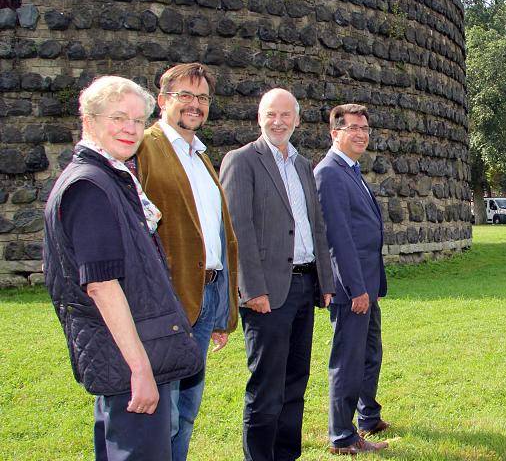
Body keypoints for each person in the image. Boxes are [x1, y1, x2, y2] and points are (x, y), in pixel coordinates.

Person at [43, 76, 203, 459]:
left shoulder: (111, 176)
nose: (130, 129)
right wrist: (140, 369)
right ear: (90, 120)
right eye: (118, 118)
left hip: (131, 349)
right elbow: (100, 285)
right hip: (129, 357)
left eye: (137, 120)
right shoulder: (90, 187)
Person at [219, 89, 336, 461]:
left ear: (297, 120)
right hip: (266, 293)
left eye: (286, 115)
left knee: (295, 382)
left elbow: (316, 226)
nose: (279, 121)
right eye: (271, 114)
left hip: (303, 286)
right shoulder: (242, 161)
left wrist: (325, 282)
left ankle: (287, 456)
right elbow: (237, 230)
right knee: (266, 388)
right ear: (259, 117)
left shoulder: (303, 165)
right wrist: (251, 289)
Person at [135, 63, 239, 461]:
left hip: (205, 296)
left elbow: (217, 234)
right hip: (167, 301)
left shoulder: (200, 157)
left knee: (187, 410)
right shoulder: (145, 148)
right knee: (164, 415)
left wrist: (221, 310)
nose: (195, 105)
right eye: (185, 96)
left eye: (202, 98)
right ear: (162, 100)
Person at [314, 104, 390, 455]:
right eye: (353, 128)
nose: (361, 134)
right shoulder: (329, 172)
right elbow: (338, 237)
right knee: (348, 359)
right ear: (335, 133)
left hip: (367, 285)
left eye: (365, 128)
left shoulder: (351, 170)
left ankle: (368, 417)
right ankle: (342, 436)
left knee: (370, 352)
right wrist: (356, 288)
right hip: (352, 289)